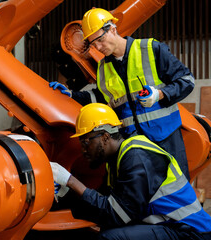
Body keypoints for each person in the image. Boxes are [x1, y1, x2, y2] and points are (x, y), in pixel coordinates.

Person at [49, 8, 194, 181]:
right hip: (134, 145)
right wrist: (72, 95)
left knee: (176, 191)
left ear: (112, 29)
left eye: (100, 40)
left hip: (166, 139)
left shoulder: (150, 49)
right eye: (94, 45)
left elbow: (186, 80)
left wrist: (160, 95)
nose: (99, 47)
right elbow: (102, 98)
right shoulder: (103, 68)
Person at [51, 103, 211, 240]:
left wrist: (70, 180)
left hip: (190, 232)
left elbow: (117, 215)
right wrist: (67, 193)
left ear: (105, 137)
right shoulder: (116, 161)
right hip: (169, 225)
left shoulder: (136, 157)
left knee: (110, 237)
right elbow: (102, 206)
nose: (83, 150)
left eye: (86, 142)